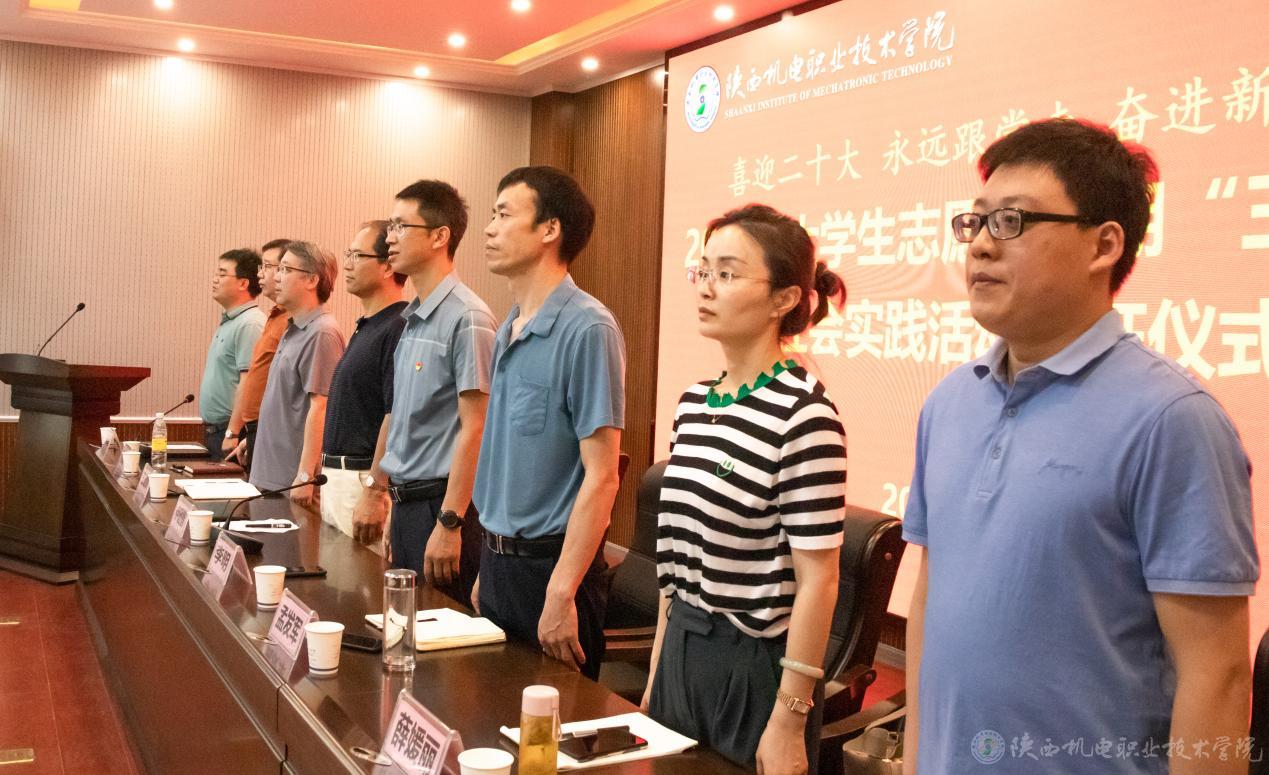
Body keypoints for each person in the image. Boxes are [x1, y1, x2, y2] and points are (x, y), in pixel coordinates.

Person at [902, 118, 1259, 775]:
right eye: (975, 222)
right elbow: (928, 602)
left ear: (1103, 245)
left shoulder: (1171, 418)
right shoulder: (948, 402)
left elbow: (1217, 676)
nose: (980, 245)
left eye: (1010, 221)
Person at [643, 204, 847, 774]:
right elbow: (674, 563)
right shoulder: (693, 402)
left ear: (785, 298)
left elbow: (820, 581)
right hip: (682, 647)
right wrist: (658, 671)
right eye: (703, 270)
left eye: (727, 274)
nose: (706, 287)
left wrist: (790, 719)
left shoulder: (805, 415)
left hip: (753, 667)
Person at [472, 166, 625, 681]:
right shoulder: (510, 325)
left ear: (550, 229)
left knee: (552, 726)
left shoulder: (588, 327)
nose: (489, 228)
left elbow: (602, 475)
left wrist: (561, 591)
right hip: (498, 563)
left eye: (503, 214)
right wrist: (488, 561)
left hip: (553, 571)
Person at [378, 180, 496, 601]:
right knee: (401, 625)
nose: (389, 238)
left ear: (439, 236)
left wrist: (450, 521)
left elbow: (476, 427)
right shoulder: (412, 318)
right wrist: (391, 503)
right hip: (407, 505)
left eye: (400, 226)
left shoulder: (468, 317)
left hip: (441, 508)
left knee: (440, 630)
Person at [317, 221, 407, 551]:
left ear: (388, 266)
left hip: (361, 480)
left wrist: (374, 489)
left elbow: (394, 413)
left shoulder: (398, 325)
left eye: (357, 255)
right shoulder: (367, 325)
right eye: (348, 254)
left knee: (356, 579)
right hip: (337, 477)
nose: (347, 264)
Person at [248, 241, 345, 505]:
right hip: (271, 473)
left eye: (286, 269)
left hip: (292, 481)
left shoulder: (322, 332)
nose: (276, 277)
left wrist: (304, 476)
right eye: (278, 269)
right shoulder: (293, 327)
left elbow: (321, 407)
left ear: (312, 280)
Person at [223, 238, 292, 472]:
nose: (260, 274)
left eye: (267, 266)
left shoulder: (292, 321)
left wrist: (236, 432)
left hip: (274, 431)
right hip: (256, 429)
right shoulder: (275, 316)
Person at [198, 248, 265, 460]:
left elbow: (249, 381)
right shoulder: (231, 320)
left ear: (243, 283)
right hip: (216, 430)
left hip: (231, 433)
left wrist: (232, 432)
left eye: (222, 273)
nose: (215, 279)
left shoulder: (250, 324)